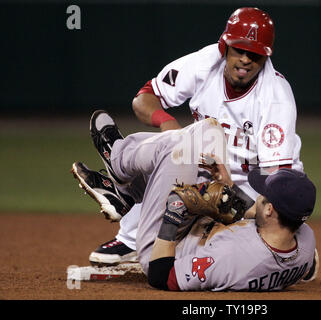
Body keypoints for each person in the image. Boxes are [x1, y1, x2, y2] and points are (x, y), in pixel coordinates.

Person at [86, 7, 305, 267]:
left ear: (266, 58)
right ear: (225, 46)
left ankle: (124, 187)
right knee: (181, 149)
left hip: (253, 184)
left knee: (251, 246)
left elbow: (275, 181)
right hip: (203, 169)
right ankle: (130, 227)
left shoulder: (276, 96)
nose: (246, 59)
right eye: (239, 50)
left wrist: (255, 214)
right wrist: (168, 124)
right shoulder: (204, 63)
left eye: (255, 55)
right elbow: (144, 99)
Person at [72, 115, 318, 291]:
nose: (258, 195)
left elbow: (161, 276)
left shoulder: (232, 259)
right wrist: (227, 185)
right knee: (209, 130)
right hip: (200, 227)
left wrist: (176, 209)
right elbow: (257, 214)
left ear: (271, 209)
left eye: (263, 195)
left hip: (162, 248)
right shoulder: (302, 238)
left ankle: (117, 159)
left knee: (178, 148)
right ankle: (124, 194)